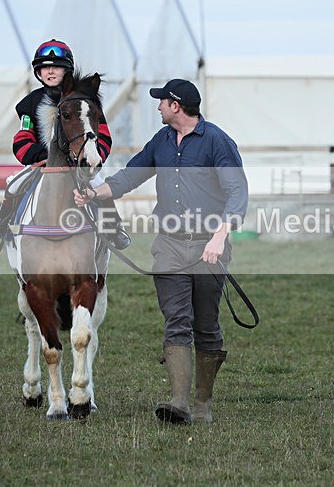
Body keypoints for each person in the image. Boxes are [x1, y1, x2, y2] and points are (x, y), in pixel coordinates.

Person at [73, 78, 249, 425]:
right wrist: (95, 194)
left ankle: (202, 405)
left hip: (207, 247)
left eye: (162, 102)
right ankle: (179, 402)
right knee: (176, 321)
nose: (157, 107)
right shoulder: (162, 141)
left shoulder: (217, 142)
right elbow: (130, 175)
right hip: (168, 244)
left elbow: (237, 191)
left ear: (176, 106)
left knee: (207, 326)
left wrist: (220, 235)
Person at [0, 39, 130, 250]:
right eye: (45, 67)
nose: (50, 71)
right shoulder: (30, 103)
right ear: (38, 72)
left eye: (56, 66)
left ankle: (114, 227)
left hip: (79, 165)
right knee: (13, 184)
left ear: (67, 70)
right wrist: (37, 155)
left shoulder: (85, 102)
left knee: (98, 184)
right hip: (42, 163)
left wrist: (93, 156)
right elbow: (23, 137)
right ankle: (0, 224)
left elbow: (102, 135)